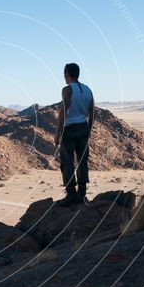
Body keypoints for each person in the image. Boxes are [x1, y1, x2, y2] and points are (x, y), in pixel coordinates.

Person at [54, 63, 94, 206]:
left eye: (64, 74)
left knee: (67, 160)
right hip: (83, 128)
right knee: (83, 160)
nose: (64, 77)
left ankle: (71, 193)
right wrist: (89, 129)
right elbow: (92, 112)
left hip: (69, 129)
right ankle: (82, 193)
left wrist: (57, 133)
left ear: (67, 74)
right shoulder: (88, 90)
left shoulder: (67, 90)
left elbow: (63, 111)